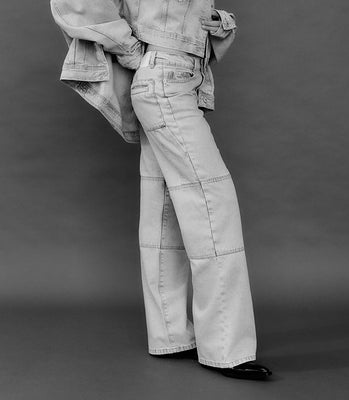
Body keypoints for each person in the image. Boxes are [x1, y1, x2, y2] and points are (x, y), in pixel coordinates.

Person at [50, 0, 272, 381]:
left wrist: (217, 22)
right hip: (164, 79)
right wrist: (132, 49)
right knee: (212, 200)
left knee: (165, 205)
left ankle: (170, 334)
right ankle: (225, 347)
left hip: (175, 79)